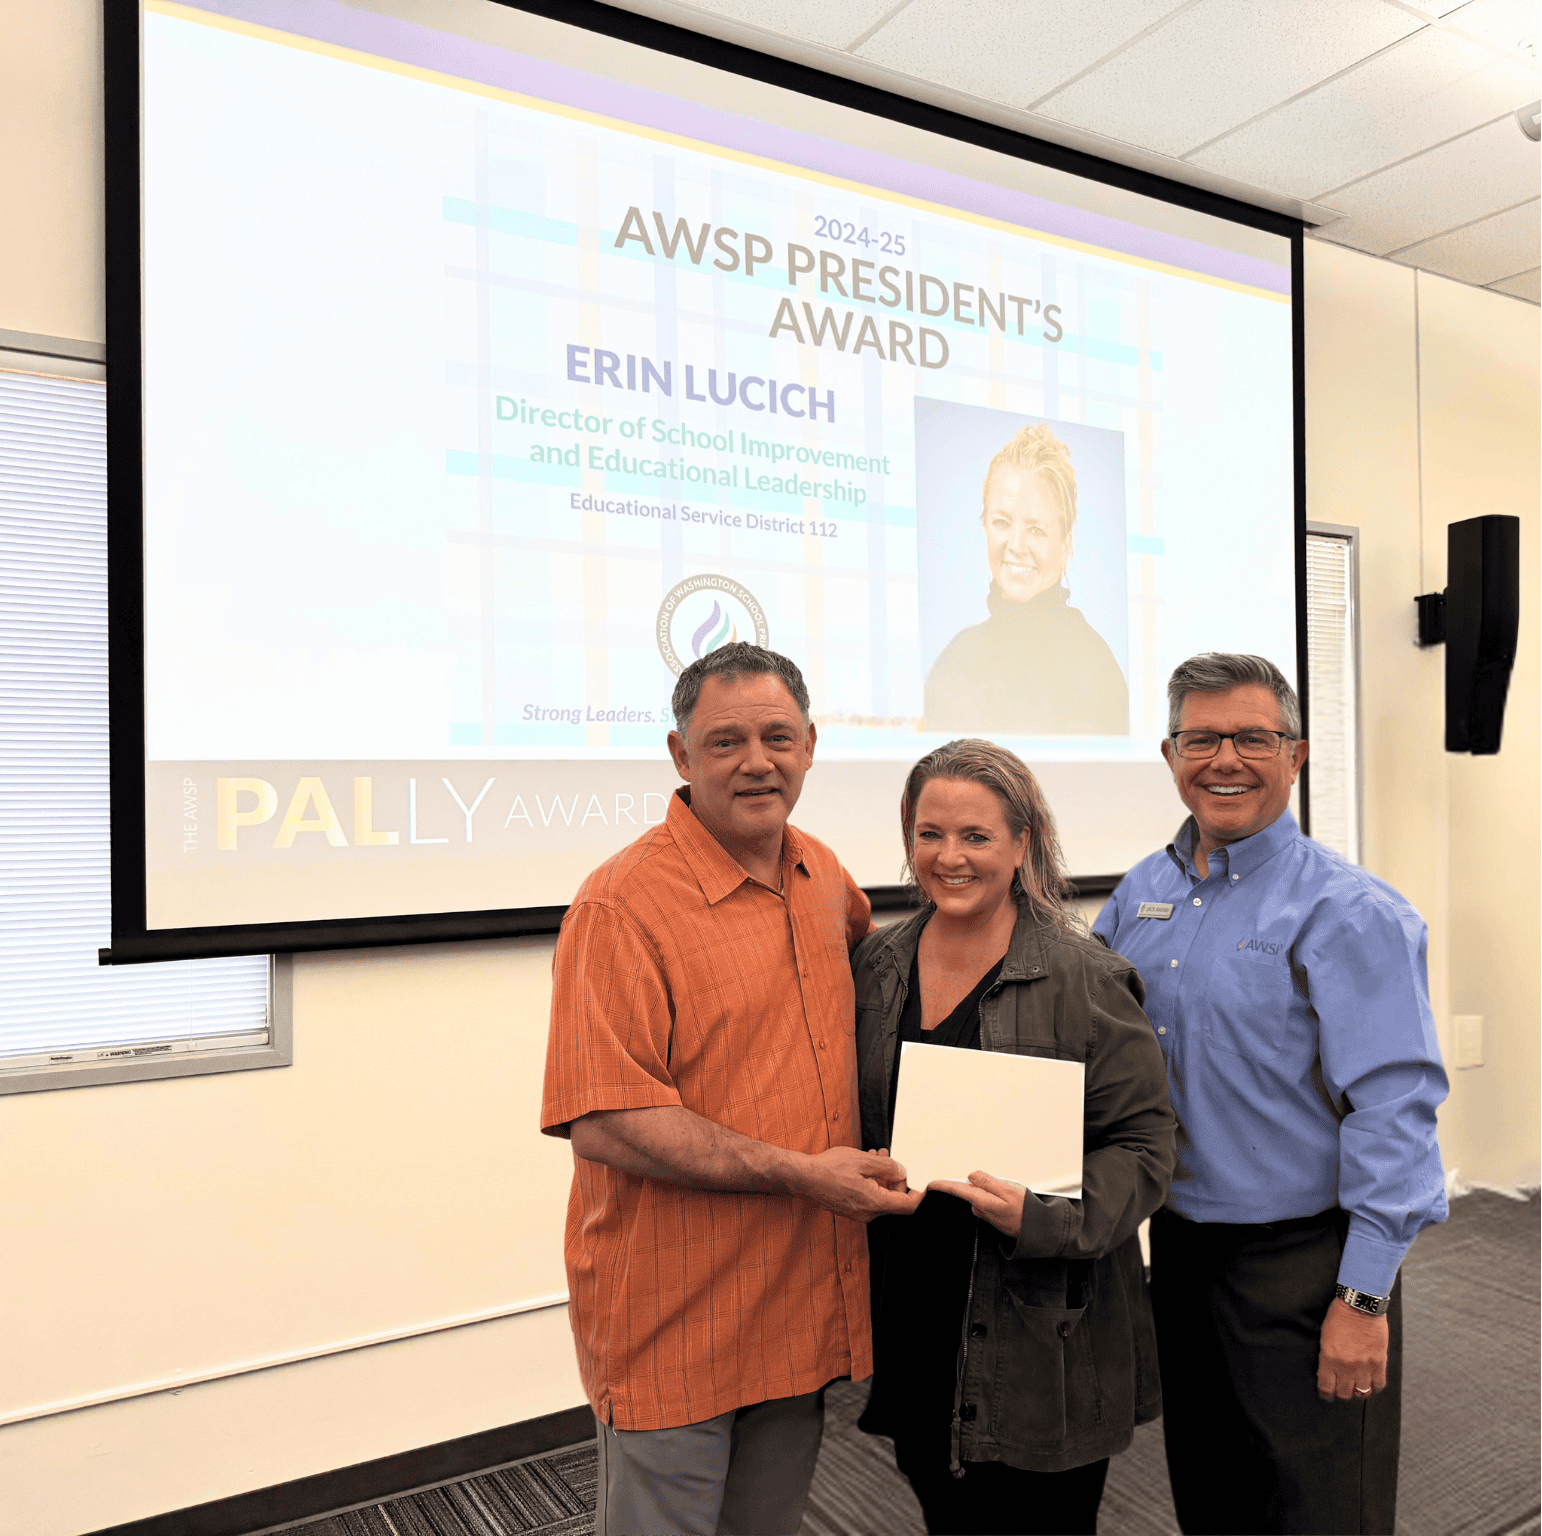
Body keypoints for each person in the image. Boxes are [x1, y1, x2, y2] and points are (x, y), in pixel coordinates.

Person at [540, 641, 922, 1536]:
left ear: (812, 746)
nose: (758, 761)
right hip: (675, 1317)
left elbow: (885, 987)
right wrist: (803, 1174)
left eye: (778, 737)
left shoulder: (821, 876)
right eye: (726, 741)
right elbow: (608, 1122)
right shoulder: (619, 907)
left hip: (798, 1308)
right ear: (681, 756)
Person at [1093, 652, 1448, 1535]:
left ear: (1295, 755)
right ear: (1170, 754)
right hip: (1177, 1255)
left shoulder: (1350, 910)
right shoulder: (1139, 895)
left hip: (1306, 1265)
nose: (1225, 759)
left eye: (1253, 737)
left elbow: (1395, 1114)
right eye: (1202, 738)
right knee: (1210, 1497)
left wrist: (1363, 1300)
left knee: (1321, 1510)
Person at [853, 738, 1177, 1535]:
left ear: (1023, 842)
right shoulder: (878, 966)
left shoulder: (1084, 975)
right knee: (945, 1513)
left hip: (1043, 1334)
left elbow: (1146, 1144)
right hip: (915, 1312)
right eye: (930, 835)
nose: (949, 857)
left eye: (976, 837)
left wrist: (1043, 1217)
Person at [923, 421, 1128, 736]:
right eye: (1002, 522)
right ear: (984, 527)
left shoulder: (1096, 671)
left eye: (1036, 529)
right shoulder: (953, 664)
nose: (1016, 546)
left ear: (1065, 545)